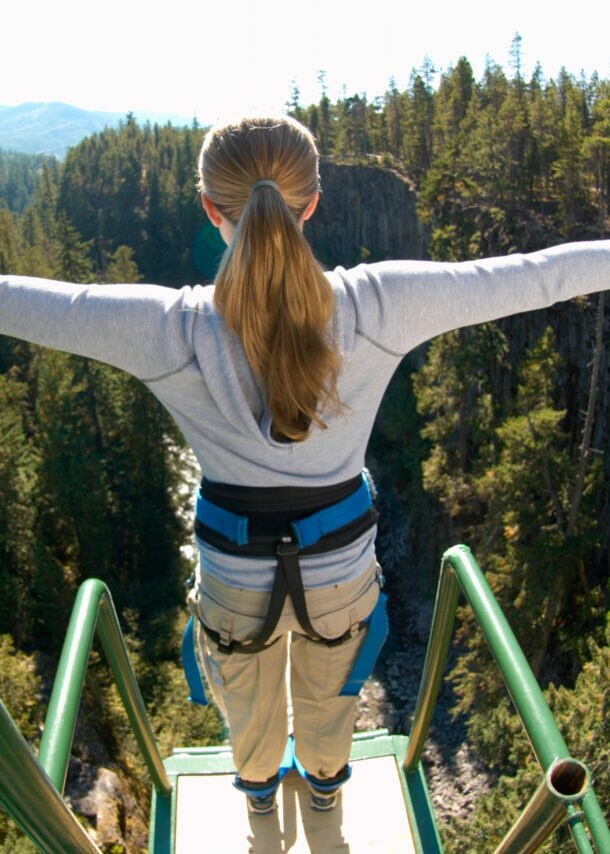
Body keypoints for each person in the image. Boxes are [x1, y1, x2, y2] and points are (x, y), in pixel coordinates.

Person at [1, 115, 610, 817]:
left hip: (233, 579)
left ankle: (260, 796)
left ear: (209, 209)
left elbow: (27, 302)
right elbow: (537, 275)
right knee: (330, 699)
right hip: (340, 573)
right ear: (312, 204)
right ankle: (324, 789)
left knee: (250, 712)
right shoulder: (379, 304)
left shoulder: (168, 328)